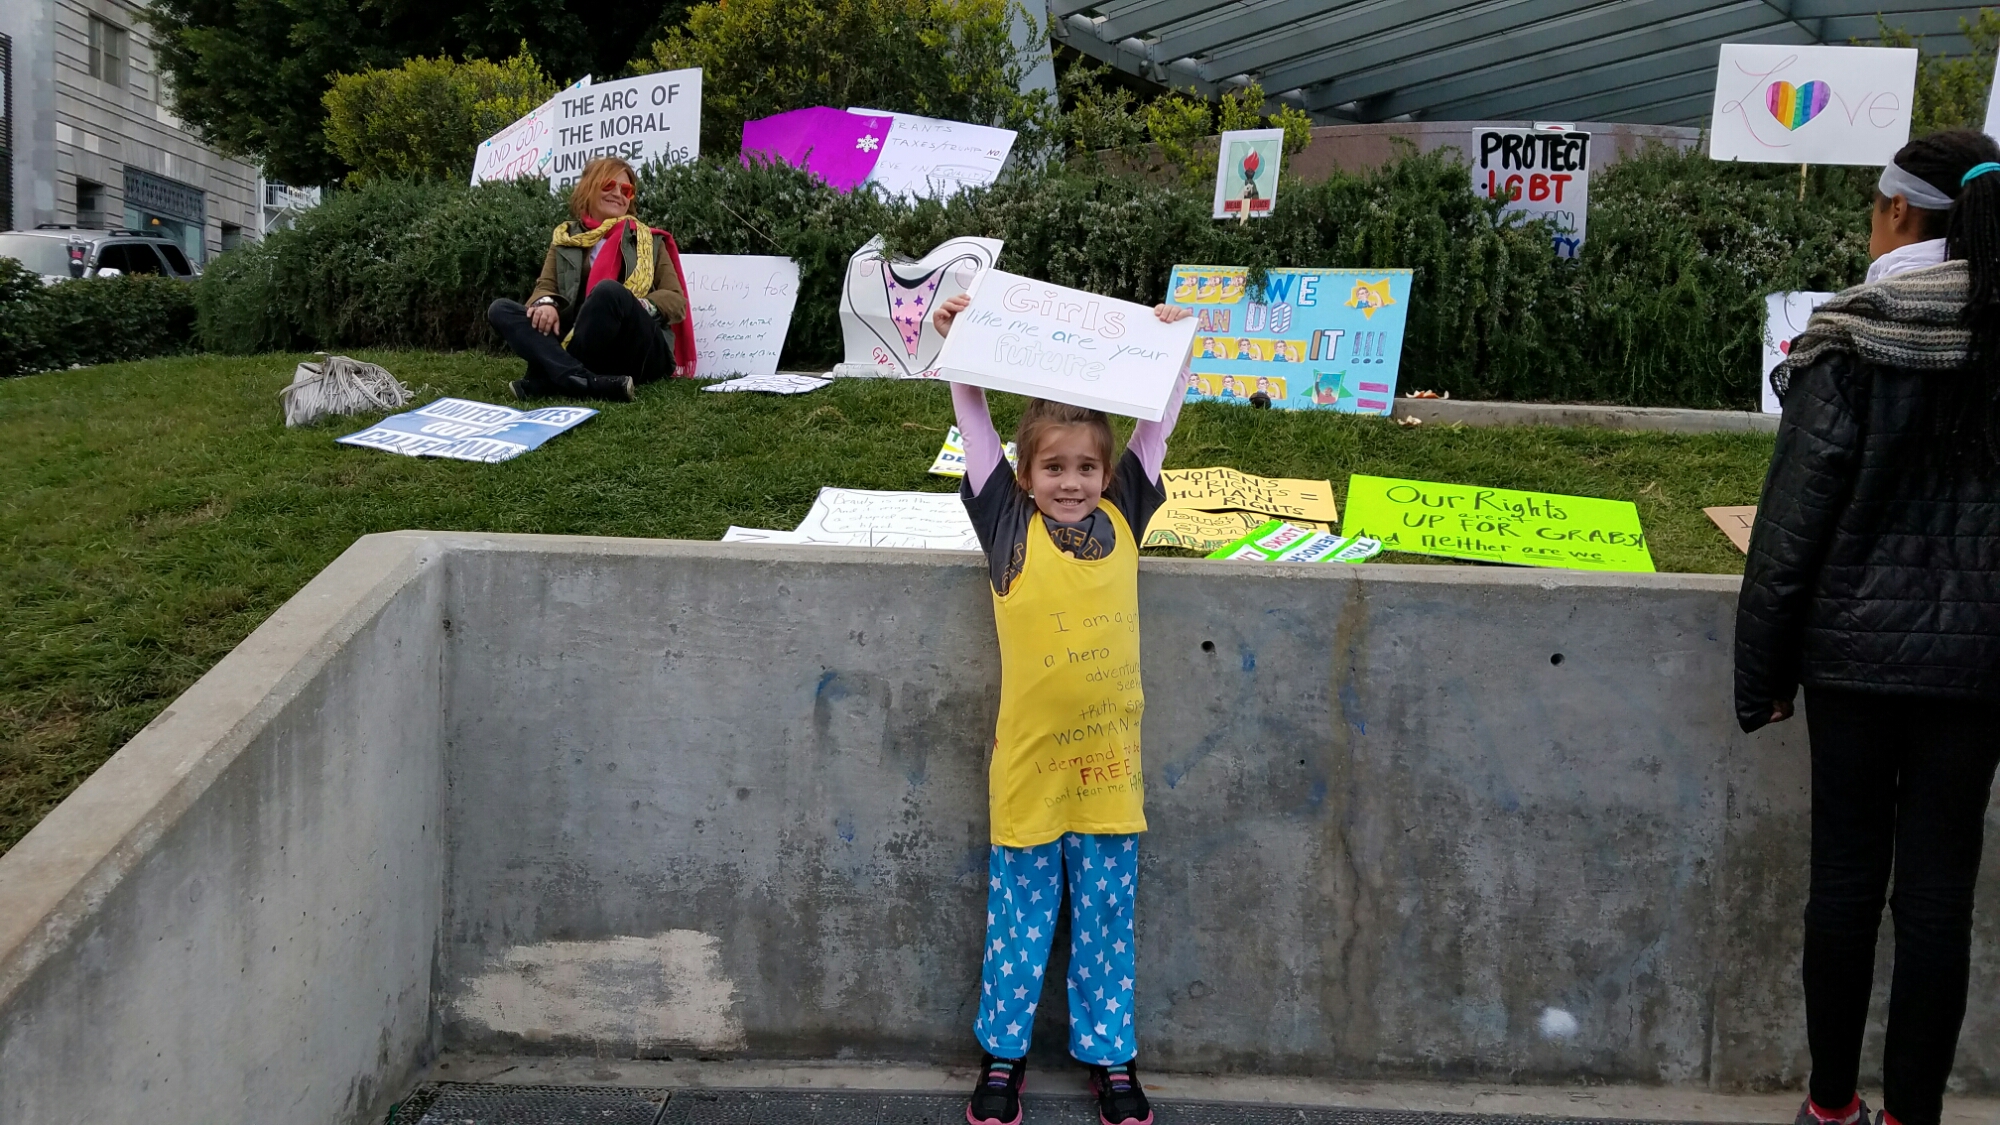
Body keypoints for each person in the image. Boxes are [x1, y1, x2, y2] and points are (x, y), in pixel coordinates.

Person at [1736, 128, 2000, 1125]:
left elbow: (1788, 526)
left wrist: (1762, 672)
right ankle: (1910, 1116)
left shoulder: (1851, 335)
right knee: (1937, 899)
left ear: (1895, 211)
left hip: (1851, 660)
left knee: (1844, 882)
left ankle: (1831, 1105)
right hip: (1978, 674)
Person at [932, 290, 1193, 1125]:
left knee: (1106, 923)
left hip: (1109, 774)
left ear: (1106, 474)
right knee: (1019, 924)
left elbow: (1158, 426)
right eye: (1053, 468)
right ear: (1025, 476)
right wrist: (963, 351)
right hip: (1030, 774)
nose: (1072, 482)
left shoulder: (1125, 512)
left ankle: (1111, 1057)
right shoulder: (1007, 525)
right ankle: (1002, 1055)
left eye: (1085, 467)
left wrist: (1172, 346)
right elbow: (975, 426)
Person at [487, 156, 695, 401]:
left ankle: (551, 377)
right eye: (609, 185)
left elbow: (676, 300)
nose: (618, 194)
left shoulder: (650, 240)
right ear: (588, 188)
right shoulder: (566, 238)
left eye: (626, 190)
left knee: (608, 292)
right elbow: (545, 286)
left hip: (634, 345)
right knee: (501, 310)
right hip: (580, 335)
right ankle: (583, 380)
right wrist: (546, 304)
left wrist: (634, 304)